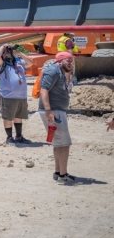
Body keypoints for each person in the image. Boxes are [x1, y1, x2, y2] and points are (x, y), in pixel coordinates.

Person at [38, 51, 77, 184]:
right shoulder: (53, 71)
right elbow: (44, 90)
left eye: (72, 61)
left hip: (56, 111)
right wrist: (49, 111)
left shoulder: (60, 72)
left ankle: (58, 172)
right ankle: (62, 175)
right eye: (68, 61)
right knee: (64, 144)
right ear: (60, 61)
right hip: (54, 112)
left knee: (58, 143)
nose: (71, 63)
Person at [0, 43, 33, 144]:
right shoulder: (1, 64)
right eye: (6, 52)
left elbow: (31, 63)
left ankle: (19, 136)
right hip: (8, 95)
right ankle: (9, 138)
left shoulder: (18, 62)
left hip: (21, 95)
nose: (8, 53)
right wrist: (4, 46)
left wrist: (19, 53)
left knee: (18, 116)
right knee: (8, 116)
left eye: (9, 52)